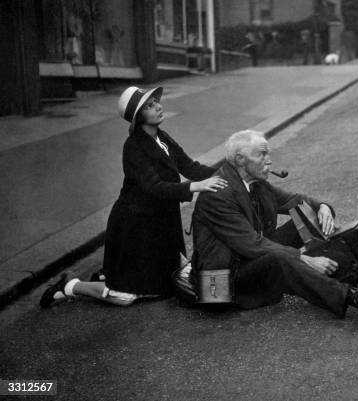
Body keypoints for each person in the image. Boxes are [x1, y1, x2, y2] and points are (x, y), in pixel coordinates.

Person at [40, 86, 227, 307]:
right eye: (149, 106)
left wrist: (229, 171)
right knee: (127, 297)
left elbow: (190, 166)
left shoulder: (162, 138)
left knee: (170, 283)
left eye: (156, 102)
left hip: (161, 223)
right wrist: (197, 186)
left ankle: (110, 274)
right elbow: (155, 187)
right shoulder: (134, 147)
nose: (158, 106)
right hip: (136, 225)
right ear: (138, 117)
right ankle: (71, 285)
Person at [191, 130, 358, 318]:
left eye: (268, 154)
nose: (269, 160)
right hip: (219, 286)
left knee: (303, 219)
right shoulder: (218, 195)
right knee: (281, 258)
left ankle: (345, 272)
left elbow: (297, 202)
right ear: (240, 159)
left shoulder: (254, 182)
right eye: (261, 155)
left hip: (244, 260)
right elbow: (251, 244)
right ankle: (351, 296)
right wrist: (303, 258)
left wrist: (322, 207)